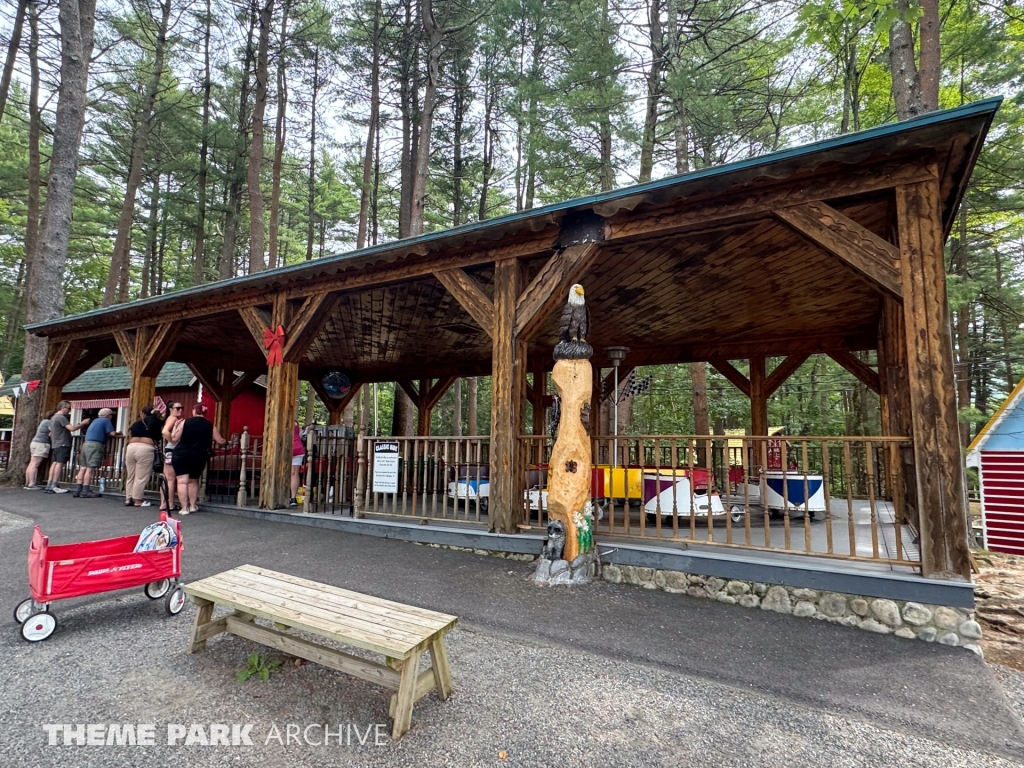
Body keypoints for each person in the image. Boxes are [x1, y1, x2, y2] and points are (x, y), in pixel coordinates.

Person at [171, 403, 226, 515]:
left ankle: (184, 508)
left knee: (182, 481)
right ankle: (192, 506)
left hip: (181, 453)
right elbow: (220, 441)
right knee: (193, 480)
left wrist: (175, 427)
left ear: (194, 411)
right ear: (205, 413)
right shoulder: (210, 425)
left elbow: (175, 438)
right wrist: (227, 442)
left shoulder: (184, 422)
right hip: (198, 455)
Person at [45, 401, 90, 494]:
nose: (69, 410)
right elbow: (72, 428)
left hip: (55, 443)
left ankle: (49, 484)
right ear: (62, 408)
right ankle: (54, 485)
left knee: (55, 463)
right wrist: (83, 423)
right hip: (62, 443)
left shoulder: (53, 418)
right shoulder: (61, 418)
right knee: (60, 464)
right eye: (68, 408)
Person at [124, 405, 164, 507]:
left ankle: (128, 498)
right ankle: (138, 500)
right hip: (145, 448)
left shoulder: (136, 423)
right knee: (141, 476)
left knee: (131, 475)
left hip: (131, 446)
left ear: (143, 414)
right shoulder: (155, 422)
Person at [75, 408, 119, 498]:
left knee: (83, 467)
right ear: (108, 415)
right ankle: (86, 490)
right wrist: (118, 433)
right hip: (95, 445)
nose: (111, 417)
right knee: (90, 469)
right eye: (111, 415)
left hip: (86, 444)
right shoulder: (106, 421)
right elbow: (112, 433)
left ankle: (78, 489)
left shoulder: (95, 420)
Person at [161, 401, 184, 512]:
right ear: (171, 408)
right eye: (177, 408)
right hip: (172, 449)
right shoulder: (173, 418)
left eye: (181, 408)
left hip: (168, 449)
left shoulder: (169, 418)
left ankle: (163, 503)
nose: (180, 410)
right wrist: (173, 442)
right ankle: (170, 504)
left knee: (167, 478)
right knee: (170, 479)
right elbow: (165, 432)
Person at [24, 410, 55, 490]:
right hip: (42, 443)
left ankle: (27, 482)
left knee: (31, 463)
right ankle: (32, 484)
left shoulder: (43, 422)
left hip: (35, 442)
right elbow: (53, 432)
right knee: (35, 464)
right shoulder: (50, 422)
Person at [290, 421, 305, 507]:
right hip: (298, 447)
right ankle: (293, 498)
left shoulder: (281, 419)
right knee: (295, 473)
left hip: (288, 447)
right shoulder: (295, 422)